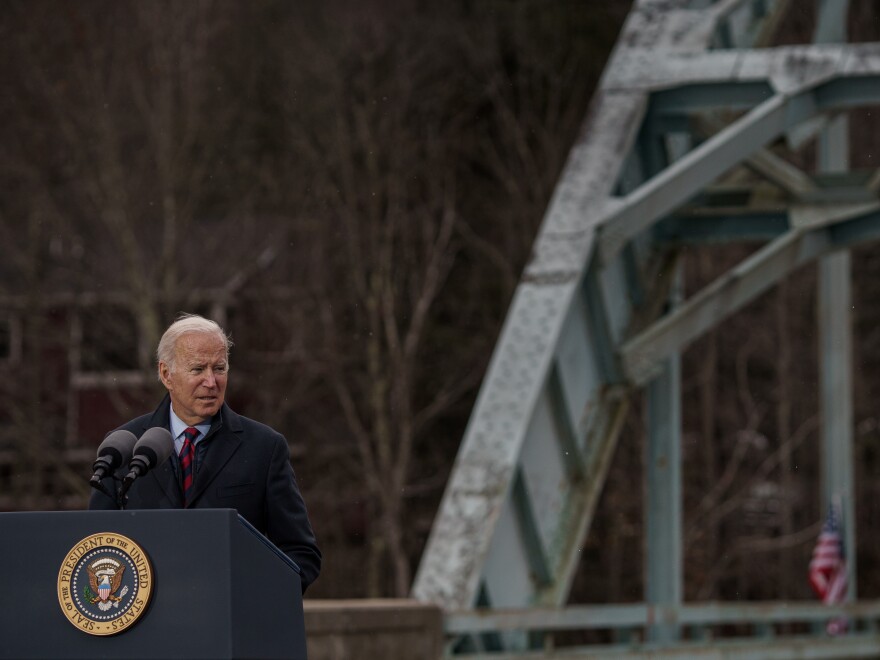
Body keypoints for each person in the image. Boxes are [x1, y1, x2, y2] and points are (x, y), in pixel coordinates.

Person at [89, 314, 321, 592]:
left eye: (219, 368)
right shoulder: (124, 446)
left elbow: (300, 555)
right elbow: (95, 548)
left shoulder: (264, 448)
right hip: (147, 624)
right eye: (198, 369)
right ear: (166, 374)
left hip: (231, 623)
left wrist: (252, 598)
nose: (211, 382)